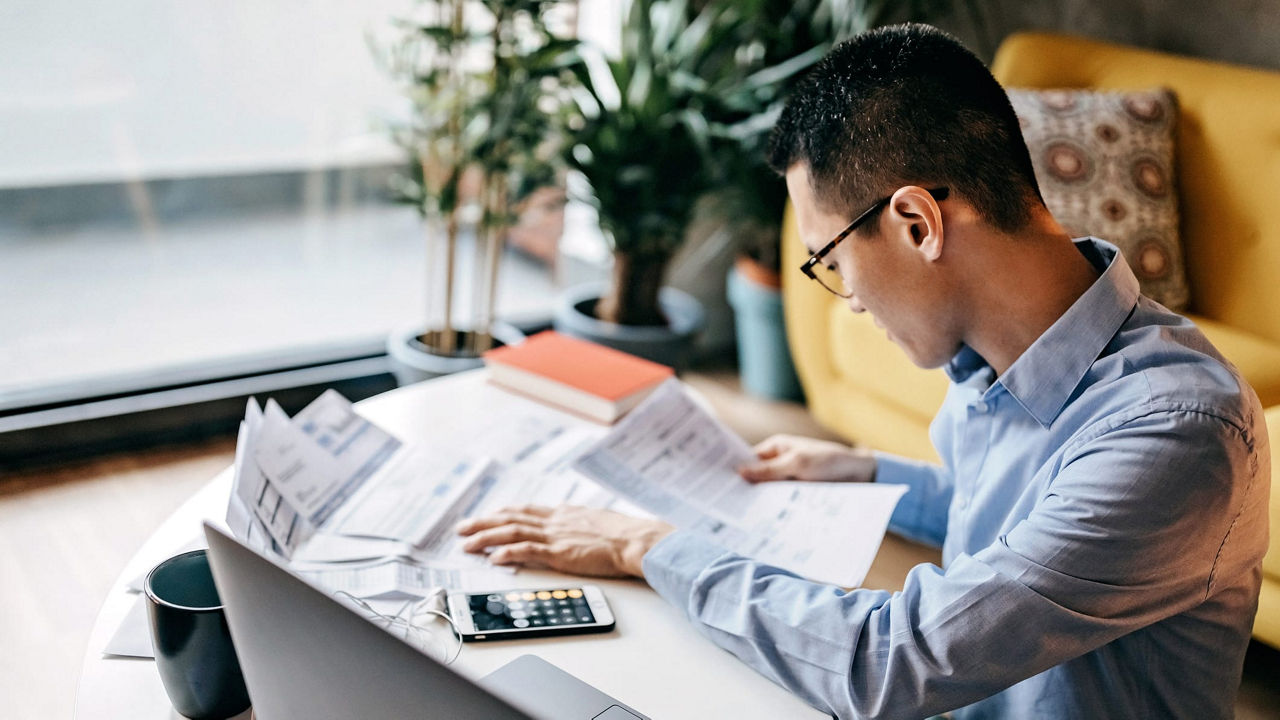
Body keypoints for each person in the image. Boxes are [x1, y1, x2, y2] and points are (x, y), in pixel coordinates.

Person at [457, 24, 1270, 719]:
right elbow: (1025, 517)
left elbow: (894, 661)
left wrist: (650, 546)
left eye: (831, 259)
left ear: (917, 221)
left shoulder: (1175, 432)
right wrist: (862, 470)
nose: (845, 299)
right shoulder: (1007, 362)